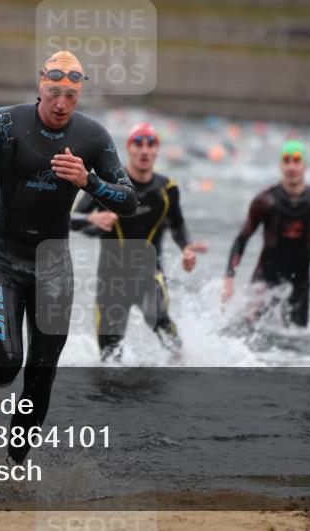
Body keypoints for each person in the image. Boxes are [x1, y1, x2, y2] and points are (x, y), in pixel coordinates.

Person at [0, 50, 138, 464]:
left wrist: (91, 182)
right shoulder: (4, 123)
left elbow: (129, 201)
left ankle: (14, 469)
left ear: (79, 93)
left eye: (70, 94)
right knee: (7, 362)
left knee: (41, 373)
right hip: (4, 257)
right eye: (53, 92)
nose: (61, 103)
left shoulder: (94, 137)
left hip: (53, 264)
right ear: (40, 87)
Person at [71, 122, 208, 361]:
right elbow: (70, 220)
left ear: (157, 150)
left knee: (158, 317)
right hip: (111, 280)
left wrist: (187, 248)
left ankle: (183, 365)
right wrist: (93, 219)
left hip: (149, 274)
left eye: (151, 144)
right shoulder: (106, 184)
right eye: (138, 143)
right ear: (129, 148)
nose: (144, 150)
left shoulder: (168, 188)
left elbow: (177, 225)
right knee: (109, 355)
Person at [221, 140, 310, 327]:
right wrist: (229, 279)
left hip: (300, 284)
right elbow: (242, 239)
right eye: (286, 161)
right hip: (265, 282)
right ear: (280, 165)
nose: (291, 167)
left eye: (296, 161)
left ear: (305, 165)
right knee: (252, 333)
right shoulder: (265, 200)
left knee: (296, 342)